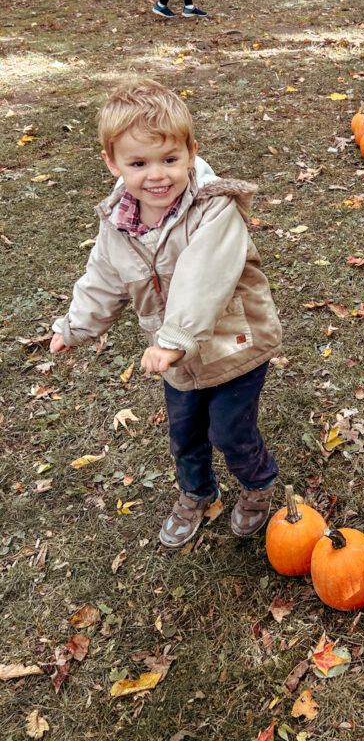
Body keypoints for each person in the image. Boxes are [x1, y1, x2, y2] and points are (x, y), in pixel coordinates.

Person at [49, 81, 283, 548]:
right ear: (113, 164)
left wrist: (173, 340)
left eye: (169, 159)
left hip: (232, 345)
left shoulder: (214, 209)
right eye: (138, 164)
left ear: (191, 153)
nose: (157, 176)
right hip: (175, 357)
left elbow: (203, 278)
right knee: (185, 435)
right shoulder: (118, 222)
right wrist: (75, 326)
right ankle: (196, 493)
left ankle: (258, 485)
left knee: (230, 432)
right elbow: (104, 276)